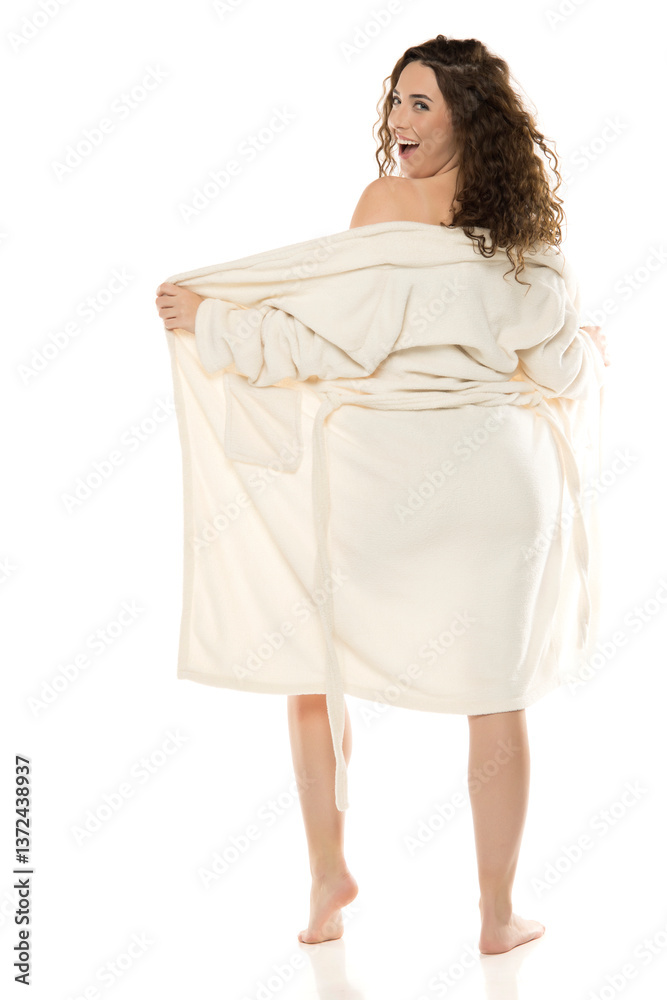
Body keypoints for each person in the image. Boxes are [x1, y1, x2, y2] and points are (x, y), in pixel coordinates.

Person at [156, 35, 610, 955]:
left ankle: (329, 876)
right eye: (396, 100)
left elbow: (324, 343)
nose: (397, 120)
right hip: (500, 485)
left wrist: (215, 322)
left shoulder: (384, 206)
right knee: (496, 694)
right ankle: (497, 916)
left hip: (384, 481)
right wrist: (591, 349)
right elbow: (558, 366)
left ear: (463, 119)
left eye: (418, 104)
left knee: (313, 661)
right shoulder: (523, 233)